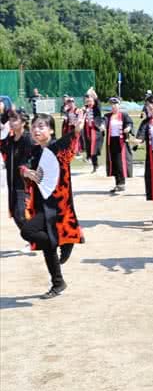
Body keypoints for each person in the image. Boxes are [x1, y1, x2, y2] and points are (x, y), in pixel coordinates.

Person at [20, 112, 85, 299]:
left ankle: (62, 241)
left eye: (41, 126)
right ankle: (58, 282)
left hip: (57, 205)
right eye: (33, 127)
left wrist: (78, 127)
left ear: (50, 130)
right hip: (40, 203)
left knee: (28, 232)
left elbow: (72, 140)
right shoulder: (34, 150)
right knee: (48, 246)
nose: (36, 130)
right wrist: (26, 172)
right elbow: (22, 165)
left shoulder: (57, 148)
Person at [0, 109, 33, 231]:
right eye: (10, 120)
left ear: (23, 122)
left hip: (25, 184)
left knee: (21, 214)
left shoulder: (28, 139)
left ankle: (36, 238)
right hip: (13, 183)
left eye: (15, 119)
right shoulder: (10, 141)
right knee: (15, 214)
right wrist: (5, 113)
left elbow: (34, 159)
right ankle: (32, 239)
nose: (11, 122)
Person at [104, 97, 134, 193]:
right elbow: (103, 122)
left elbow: (130, 123)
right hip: (111, 141)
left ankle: (122, 183)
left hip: (121, 142)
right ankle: (118, 184)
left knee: (120, 163)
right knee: (114, 163)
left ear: (119, 105)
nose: (113, 106)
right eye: (112, 104)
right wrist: (101, 126)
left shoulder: (124, 115)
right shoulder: (108, 116)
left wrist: (128, 128)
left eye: (115, 104)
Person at [81, 89, 104, 173]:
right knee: (88, 146)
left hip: (96, 130)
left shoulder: (96, 107)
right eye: (87, 100)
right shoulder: (85, 108)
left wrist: (91, 92)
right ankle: (94, 163)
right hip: (87, 130)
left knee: (94, 147)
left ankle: (92, 161)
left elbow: (97, 100)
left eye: (90, 100)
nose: (88, 101)